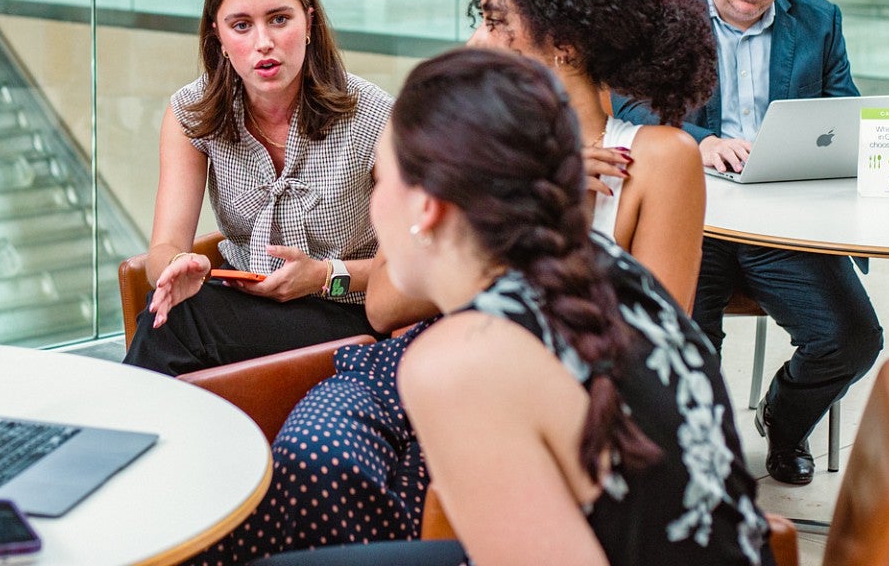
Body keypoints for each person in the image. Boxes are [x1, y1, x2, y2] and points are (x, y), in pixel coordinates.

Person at [192, 0, 718, 564]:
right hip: (416, 357)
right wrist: (512, 188)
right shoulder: (468, 133)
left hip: (561, 393)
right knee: (314, 458)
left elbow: (654, 350)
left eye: (496, 23)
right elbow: (385, 307)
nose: (475, 39)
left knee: (418, 490)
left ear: (566, 47)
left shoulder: (657, 158)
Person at [265, 48, 772, 566]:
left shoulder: (457, 360)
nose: (375, 208)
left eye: (379, 179)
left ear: (426, 206)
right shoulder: (602, 265)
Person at [613, 0, 883, 486]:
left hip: (782, 220)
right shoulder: (664, 13)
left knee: (851, 338)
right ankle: (697, 466)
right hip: (691, 217)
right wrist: (697, 141)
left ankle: (783, 424)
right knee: (690, 346)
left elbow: (846, 111)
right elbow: (623, 100)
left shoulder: (816, 19)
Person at [123, 0, 393, 375]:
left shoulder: (374, 115)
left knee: (180, 325)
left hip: (350, 314)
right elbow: (164, 248)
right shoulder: (192, 113)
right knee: (174, 315)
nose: (263, 43)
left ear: (309, 23)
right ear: (219, 38)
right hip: (247, 305)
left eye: (279, 19)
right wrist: (179, 267)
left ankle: (130, 432)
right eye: (241, 26)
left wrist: (323, 274)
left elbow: (410, 268)